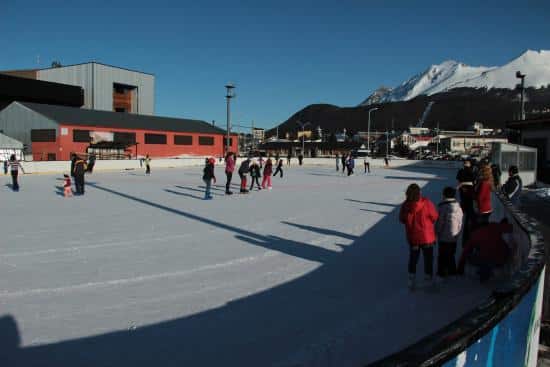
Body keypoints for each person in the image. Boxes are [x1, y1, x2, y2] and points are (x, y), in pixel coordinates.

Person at [399, 183, 439, 290]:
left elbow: (402, 219)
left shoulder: (405, 205)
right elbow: (434, 216)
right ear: (419, 192)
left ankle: (411, 279)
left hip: (413, 237)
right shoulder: (426, 202)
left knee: (413, 258)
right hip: (427, 237)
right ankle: (428, 278)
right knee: (428, 258)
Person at [435, 187, 463, 277]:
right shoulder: (458, 207)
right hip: (454, 235)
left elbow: (440, 222)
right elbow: (460, 221)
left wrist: (437, 232)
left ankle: (442, 271)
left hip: (444, 235)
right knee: (451, 253)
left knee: (442, 255)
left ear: (444, 195)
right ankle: (452, 270)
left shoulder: (442, 207)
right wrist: (458, 232)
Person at [456, 160, 475, 245]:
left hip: (467, 192)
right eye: (465, 163)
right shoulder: (463, 171)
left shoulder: (470, 171)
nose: (465, 164)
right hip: (467, 192)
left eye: (466, 163)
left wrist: (462, 185)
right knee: (466, 205)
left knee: (466, 205)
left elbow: (472, 182)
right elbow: (459, 181)